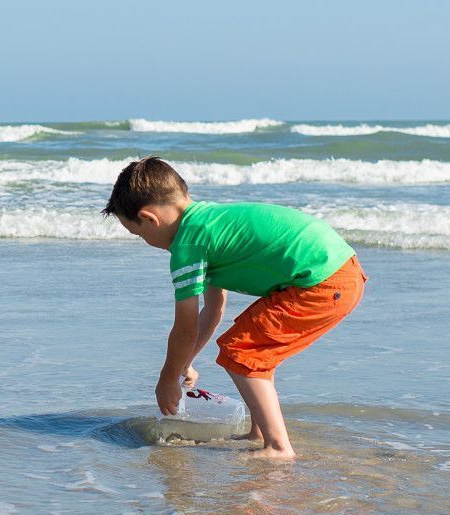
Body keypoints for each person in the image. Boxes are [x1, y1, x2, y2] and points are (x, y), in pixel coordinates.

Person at [102, 157, 367, 459]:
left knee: (242, 352)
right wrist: (185, 362)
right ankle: (260, 432)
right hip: (338, 272)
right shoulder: (206, 223)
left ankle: (278, 447)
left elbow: (186, 325)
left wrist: (167, 378)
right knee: (252, 348)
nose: (145, 241)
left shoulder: (187, 246)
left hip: (324, 281)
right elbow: (214, 309)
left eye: (140, 235)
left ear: (150, 218)